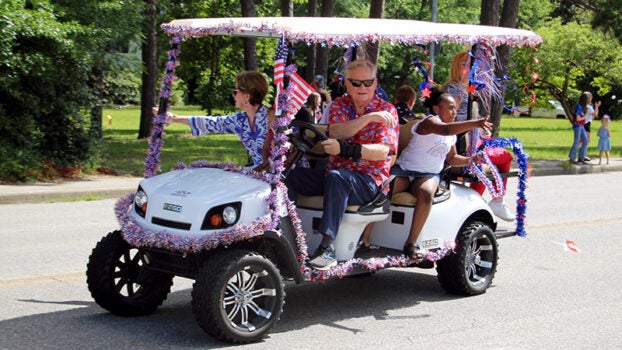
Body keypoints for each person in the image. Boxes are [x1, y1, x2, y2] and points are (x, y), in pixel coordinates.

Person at [286, 59, 399, 270]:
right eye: (356, 83)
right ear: (346, 83)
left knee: (337, 177)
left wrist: (347, 150)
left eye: (368, 82)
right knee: (292, 176)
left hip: (369, 182)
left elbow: (382, 151)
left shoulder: (388, 110)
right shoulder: (339, 105)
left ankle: (327, 247)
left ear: (375, 83)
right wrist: (369, 118)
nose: (362, 88)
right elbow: (337, 132)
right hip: (335, 175)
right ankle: (288, 236)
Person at [363, 88, 490, 259]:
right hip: (404, 170)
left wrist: (470, 160)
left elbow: (451, 159)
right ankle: (364, 239)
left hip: (427, 174)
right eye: (450, 108)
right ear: (437, 109)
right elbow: (445, 130)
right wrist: (476, 123)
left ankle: (411, 243)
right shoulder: (429, 122)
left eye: (455, 109)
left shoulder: (451, 135)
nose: (454, 112)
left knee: (426, 192)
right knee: (383, 190)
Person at [443, 51, 514, 221]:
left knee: (495, 159)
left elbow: (467, 120)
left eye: (471, 64)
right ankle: (491, 201)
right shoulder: (454, 90)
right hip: (460, 146)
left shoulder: (468, 90)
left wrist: (480, 129)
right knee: (503, 157)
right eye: (464, 64)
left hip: (471, 142)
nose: (468, 68)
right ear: (456, 67)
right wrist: (474, 125)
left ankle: (479, 202)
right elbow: (450, 119)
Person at [162, 71, 274, 171]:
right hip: (256, 173)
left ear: (246, 96)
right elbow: (211, 122)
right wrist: (174, 118)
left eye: (235, 92)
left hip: (277, 177)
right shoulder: (240, 120)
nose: (233, 95)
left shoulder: (271, 116)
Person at [569, 92, 591, 164]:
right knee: (577, 141)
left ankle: (581, 157)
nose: (590, 99)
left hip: (581, 126)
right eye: (589, 98)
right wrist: (585, 117)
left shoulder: (584, 107)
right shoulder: (579, 107)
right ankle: (572, 158)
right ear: (586, 99)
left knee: (585, 140)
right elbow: (578, 119)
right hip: (577, 125)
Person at [580, 91, 601, 160]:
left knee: (582, 141)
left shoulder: (581, 106)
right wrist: (597, 107)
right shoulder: (589, 107)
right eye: (591, 96)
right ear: (588, 98)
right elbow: (595, 115)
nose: (592, 98)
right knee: (586, 140)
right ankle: (581, 155)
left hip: (582, 124)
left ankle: (581, 155)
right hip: (586, 125)